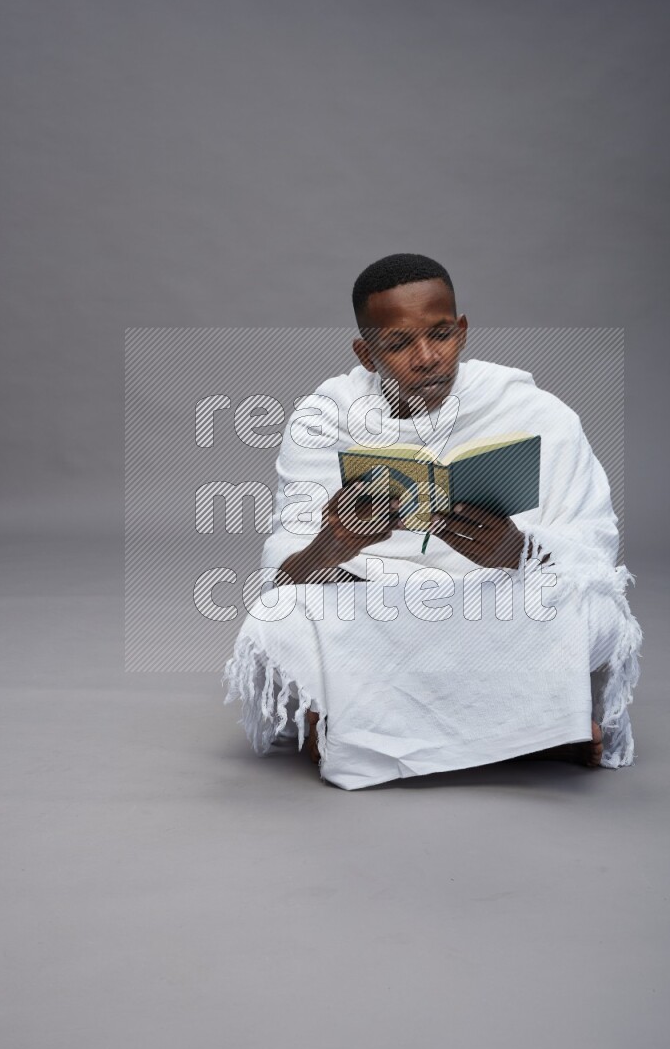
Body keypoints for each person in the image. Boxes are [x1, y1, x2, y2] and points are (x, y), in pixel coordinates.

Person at [223, 253, 642, 790]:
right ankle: (539, 730)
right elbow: (282, 579)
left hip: (497, 597)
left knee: (594, 609)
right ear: (366, 353)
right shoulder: (324, 419)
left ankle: (352, 730)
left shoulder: (538, 413)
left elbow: (595, 549)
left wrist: (518, 552)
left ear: (462, 331)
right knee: (280, 617)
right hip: (383, 606)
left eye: (441, 334)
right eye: (398, 345)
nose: (427, 358)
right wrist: (331, 547)